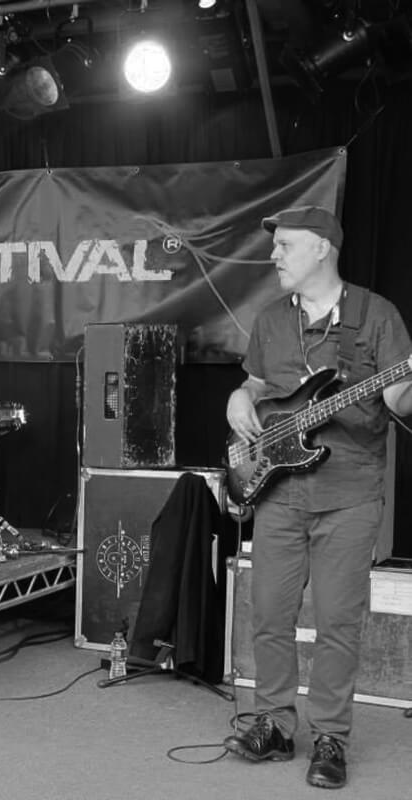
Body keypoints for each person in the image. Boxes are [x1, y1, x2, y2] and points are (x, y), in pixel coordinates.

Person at [223, 207, 412, 789]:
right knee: (270, 617)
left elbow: (401, 397)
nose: (274, 255)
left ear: (323, 249)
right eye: (275, 246)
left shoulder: (376, 316)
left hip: (350, 494)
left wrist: (405, 396)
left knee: (337, 622)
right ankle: (276, 724)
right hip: (278, 491)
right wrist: (239, 398)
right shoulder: (271, 320)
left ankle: (330, 734)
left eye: (286, 246)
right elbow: (257, 383)